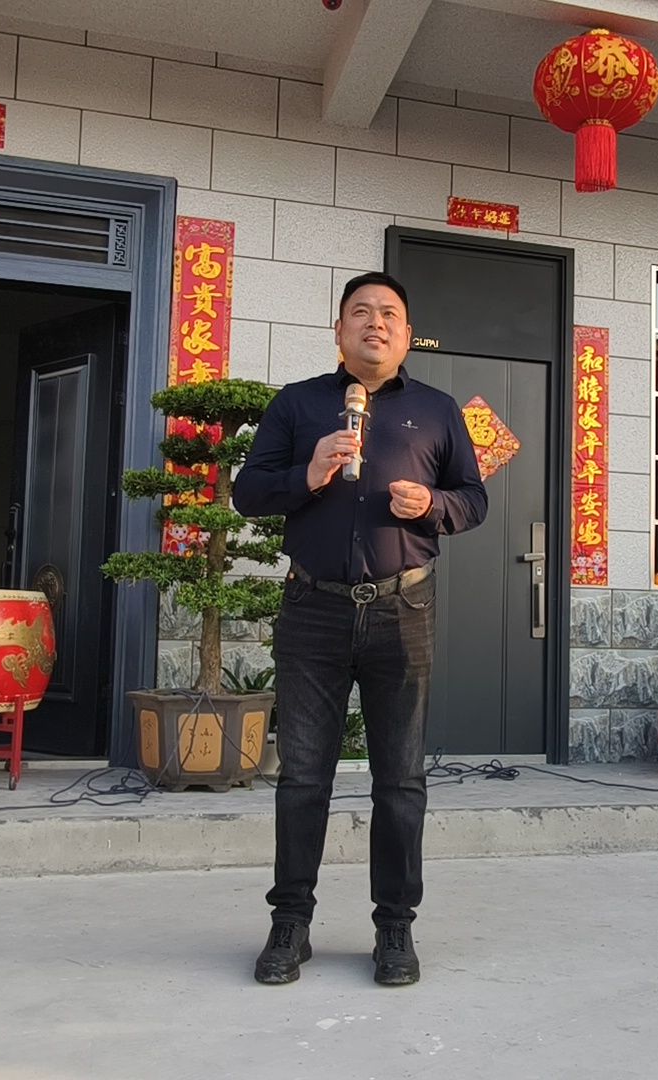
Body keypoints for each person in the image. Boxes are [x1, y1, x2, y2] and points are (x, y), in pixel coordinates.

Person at [233, 271, 488, 987]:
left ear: (407, 336)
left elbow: (474, 499)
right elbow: (247, 493)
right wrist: (307, 475)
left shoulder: (437, 410)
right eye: (361, 312)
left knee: (400, 779)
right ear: (339, 331)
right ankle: (290, 924)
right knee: (301, 778)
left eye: (390, 315)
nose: (376, 323)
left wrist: (433, 505)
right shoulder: (298, 403)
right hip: (312, 607)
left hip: (403, 609)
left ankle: (395, 927)